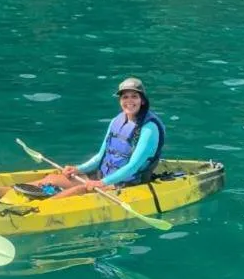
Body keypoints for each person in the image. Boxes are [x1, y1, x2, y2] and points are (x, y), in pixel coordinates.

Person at [16, 77, 165, 200]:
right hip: (102, 176)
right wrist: (78, 169)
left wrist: (102, 183)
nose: (129, 101)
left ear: (142, 100)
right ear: (120, 100)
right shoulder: (117, 121)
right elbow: (100, 156)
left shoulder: (149, 129)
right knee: (51, 179)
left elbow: (133, 167)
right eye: (125, 97)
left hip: (127, 183)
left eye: (134, 96)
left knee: (78, 190)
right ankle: (4, 193)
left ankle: (32, 210)